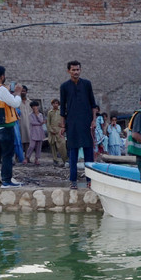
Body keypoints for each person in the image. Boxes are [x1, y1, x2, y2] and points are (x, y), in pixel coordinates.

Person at [59, 60, 99, 188]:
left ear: (80, 70)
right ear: (68, 71)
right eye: (73, 70)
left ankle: (90, 180)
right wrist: (63, 125)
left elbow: (93, 104)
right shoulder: (64, 87)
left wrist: (93, 120)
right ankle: (73, 181)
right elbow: (62, 109)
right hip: (72, 124)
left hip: (86, 123)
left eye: (78, 70)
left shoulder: (87, 84)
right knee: (73, 154)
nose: (76, 72)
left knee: (89, 154)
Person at [46, 98, 66, 167]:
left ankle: (65, 160)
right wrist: (50, 130)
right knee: (53, 145)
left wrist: (63, 127)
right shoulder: (50, 112)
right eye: (54, 103)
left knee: (62, 144)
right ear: (52, 104)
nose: (55, 105)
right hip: (52, 131)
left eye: (57, 103)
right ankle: (55, 160)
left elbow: (64, 121)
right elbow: (48, 122)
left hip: (59, 131)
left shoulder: (61, 111)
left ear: (58, 104)